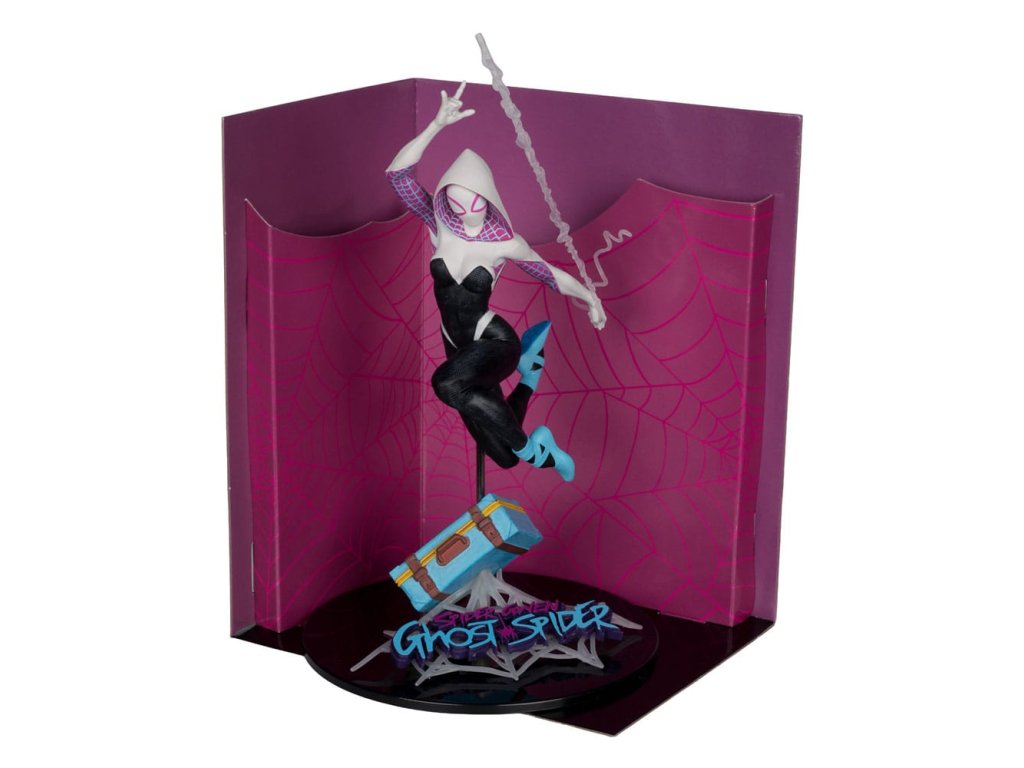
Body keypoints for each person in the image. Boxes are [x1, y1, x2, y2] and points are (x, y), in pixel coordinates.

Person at [385, 82, 605, 482]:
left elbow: (548, 274)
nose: (465, 212)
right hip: (456, 345)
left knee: (447, 385)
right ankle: (530, 379)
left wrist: (590, 298)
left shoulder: (505, 242)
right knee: (501, 455)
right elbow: (398, 176)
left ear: (488, 198)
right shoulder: (440, 227)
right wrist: (436, 126)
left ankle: (535, 451)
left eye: (474, 203)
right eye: (455, 202)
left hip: (493, 342)